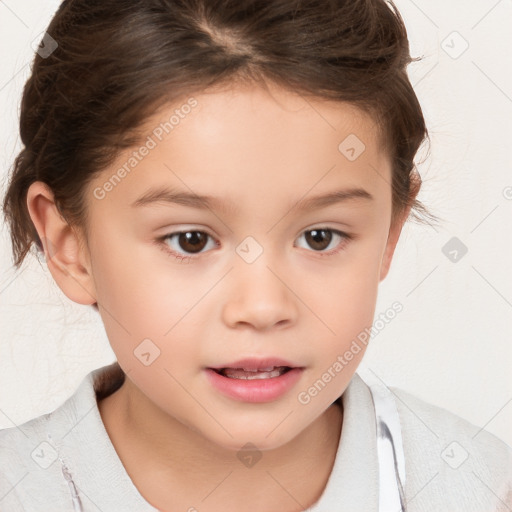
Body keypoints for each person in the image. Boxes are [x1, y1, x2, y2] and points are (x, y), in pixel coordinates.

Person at [1, 0, 511, 511]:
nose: (263, 307)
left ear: (389, 233)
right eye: (191, 240)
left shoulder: (478, 488)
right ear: (70, 246)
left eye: (319, 237)